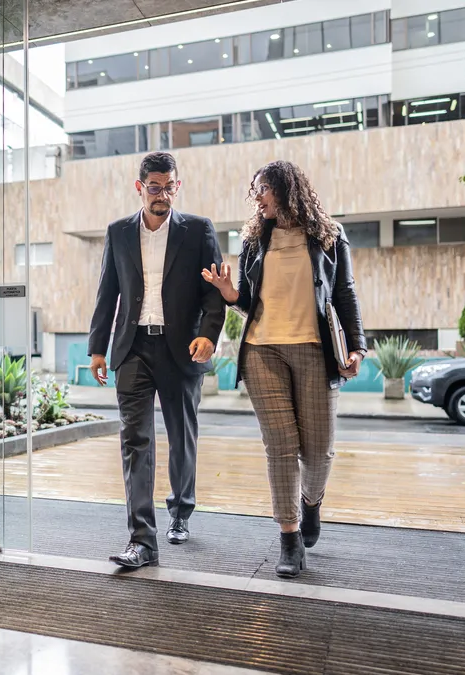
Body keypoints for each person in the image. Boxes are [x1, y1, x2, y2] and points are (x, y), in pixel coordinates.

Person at [202, 160, 366, 578]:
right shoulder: (255, 239)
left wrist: (357, 347)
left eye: (262, 190)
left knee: (319, 450)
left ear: (285, 189)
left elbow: (344, 293)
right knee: (280, 447)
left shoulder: (329, 235)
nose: (257, 198)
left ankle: (312, 503)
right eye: (255, 191)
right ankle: (289, 538)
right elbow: (248, 300)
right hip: (262, 351)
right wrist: (228, 293)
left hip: (315, 350)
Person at [88, 152, 225, 568]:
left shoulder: (198, 230)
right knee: (135, 441)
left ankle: (181, 511)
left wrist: (208, 335)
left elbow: (213, 292)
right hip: (132, 348)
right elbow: (107, 291)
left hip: (180, 347)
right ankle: (142, 540)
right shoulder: (118, 232)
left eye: (169, 187)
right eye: (154, 187)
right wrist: (98, 347)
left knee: (181, 435)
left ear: (177, 187)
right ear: (140, 187)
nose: (162, 194)